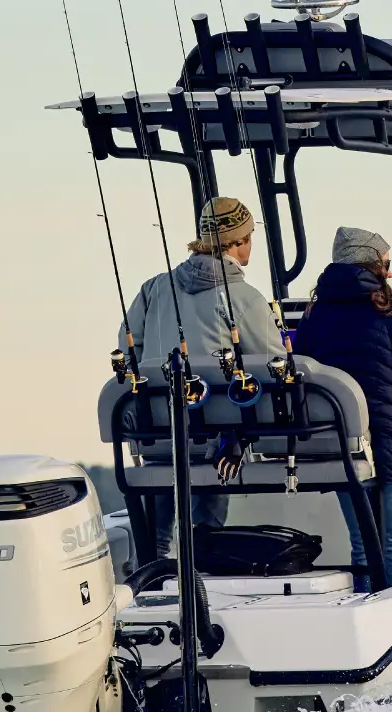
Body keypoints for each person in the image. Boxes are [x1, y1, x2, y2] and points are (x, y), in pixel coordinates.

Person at [121, 196, 285, 555]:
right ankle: (206, 563)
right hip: (217, 445)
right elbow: (273, 366)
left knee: (157, 537)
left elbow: (128, 350)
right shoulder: (247, 299)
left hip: (157, 439)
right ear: (238, 242)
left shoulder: (153, 290)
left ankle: (155, 581)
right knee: (221, 437)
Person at [289, 226, 392, 591]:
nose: (391, 271)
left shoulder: (313, 316)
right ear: (371, 265)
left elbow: (303, 378)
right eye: (387, 262)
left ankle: (367, 618)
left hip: (342, 444)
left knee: (363, 545)